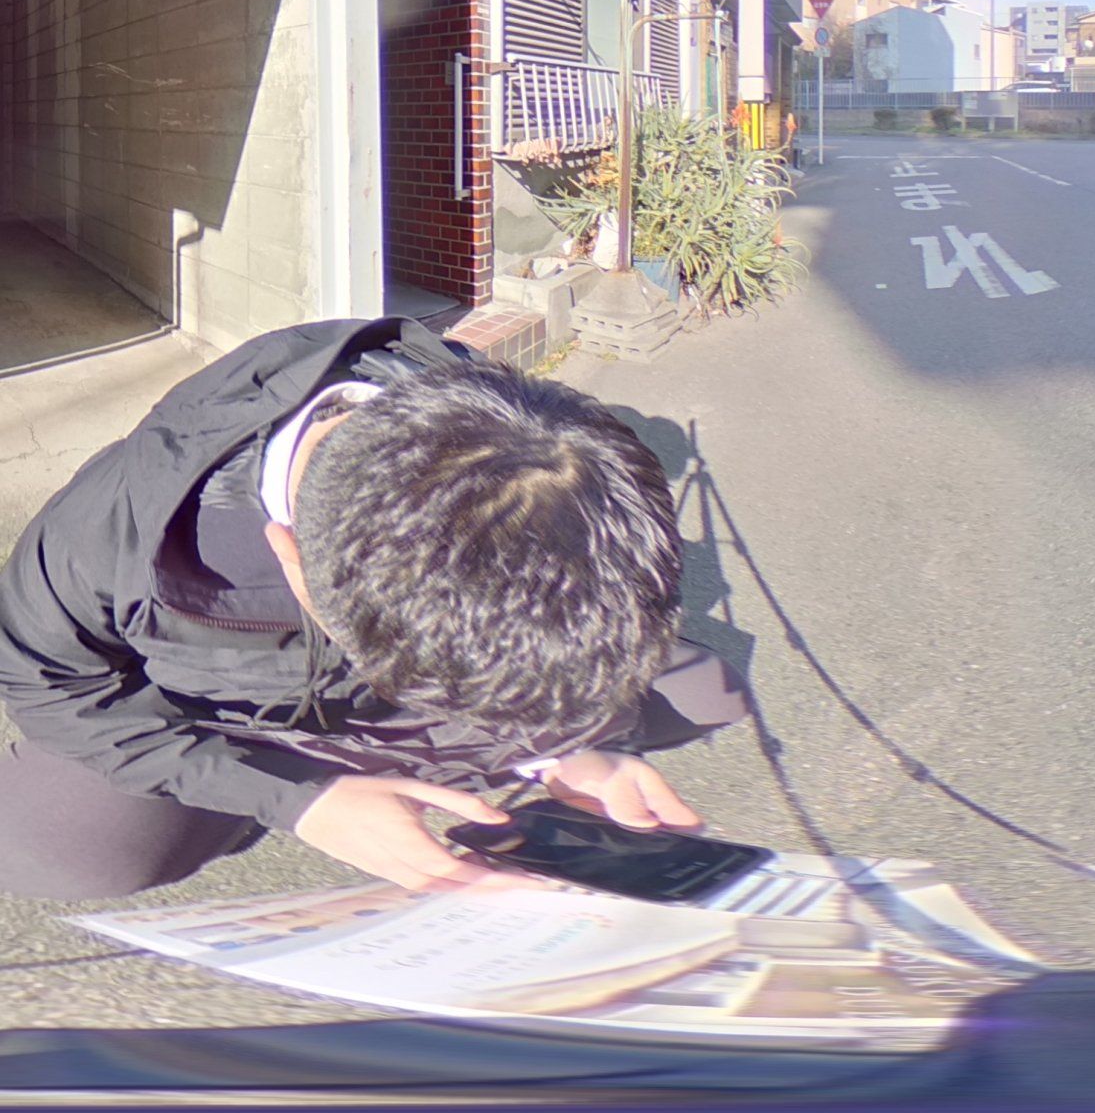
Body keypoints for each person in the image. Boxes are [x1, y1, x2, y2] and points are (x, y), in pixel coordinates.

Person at [0, 318, 746, 901]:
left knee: (709, 690)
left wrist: (574, 750)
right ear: (290, 559)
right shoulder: (110, 533)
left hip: (396, 716)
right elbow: (48, 691)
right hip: (228, 720)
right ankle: (256, 807)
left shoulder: (545, 459)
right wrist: (296, 801)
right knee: (47, 845)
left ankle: (450, 755)